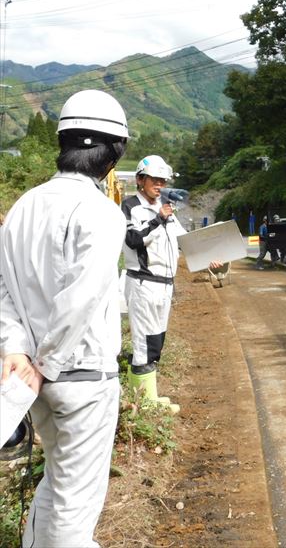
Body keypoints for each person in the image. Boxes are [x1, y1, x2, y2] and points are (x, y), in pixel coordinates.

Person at [0, 89, 129, 547]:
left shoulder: (23, 206)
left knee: (54, 484)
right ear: (115, 153)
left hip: (33, 380)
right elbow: (82, 299)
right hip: (80, 379)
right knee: (75, 506)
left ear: (63, 142)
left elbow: (5, 286)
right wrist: (47, 362)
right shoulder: (103, 213)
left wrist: (16, 349)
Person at [122, 155, 222, 414]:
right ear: (140, 180)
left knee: (156, 341)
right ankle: (142, 403)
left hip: (165, 285)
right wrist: (158, 219)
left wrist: (207, 257)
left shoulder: (165, 209)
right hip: (143, 283)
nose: (159, 185)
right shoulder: (131, 206)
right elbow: (133, 239)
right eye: (154, 180)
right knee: (143, 343)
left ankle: (149, 397)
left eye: (162, 181)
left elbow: (185, 241)